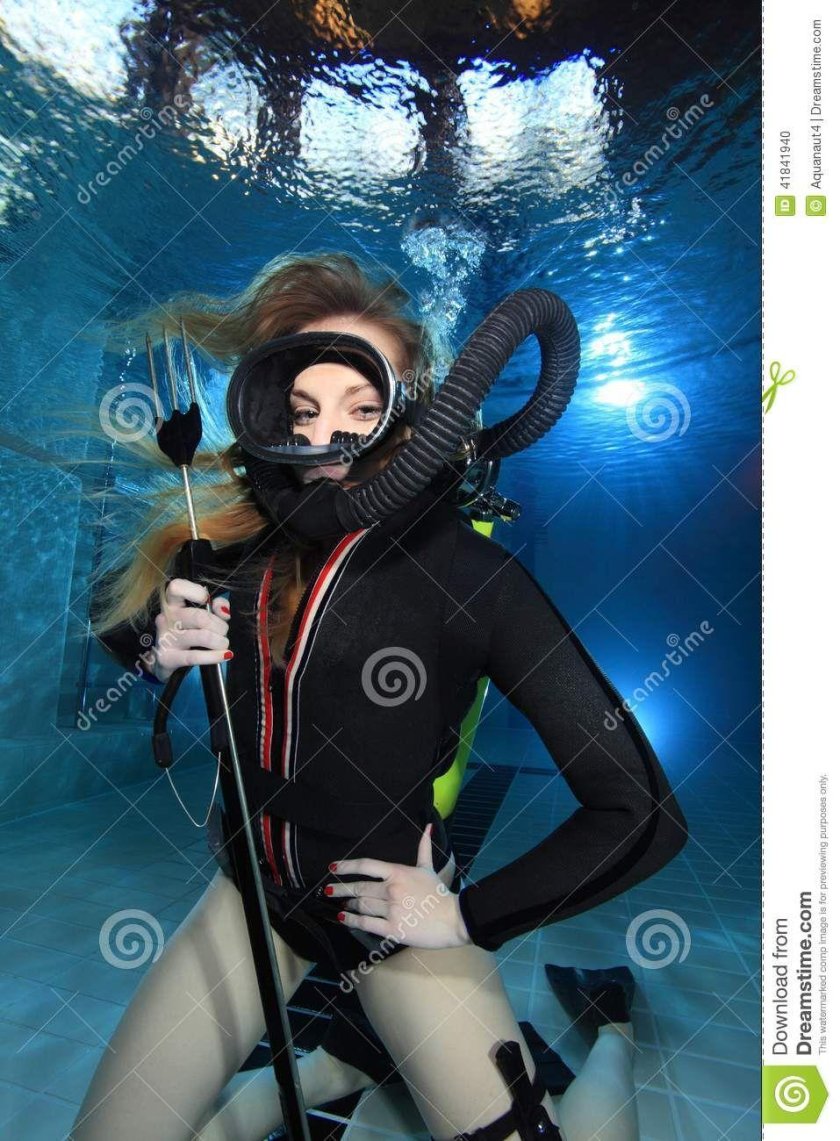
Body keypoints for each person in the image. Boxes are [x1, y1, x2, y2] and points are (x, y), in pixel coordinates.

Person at [71, 252, 687, 1141]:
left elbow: (640, 811)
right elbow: (118, 634)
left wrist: (466, 915)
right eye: (304, 412)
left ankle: (613, 1035)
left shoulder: (469, 577)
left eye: (363, 409)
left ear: (414, 418)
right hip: (253, 899)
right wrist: (157, 649)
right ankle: (352, 1055)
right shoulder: (224, 549)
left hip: (392, 918)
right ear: (268, 415)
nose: (331, 441)